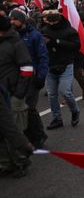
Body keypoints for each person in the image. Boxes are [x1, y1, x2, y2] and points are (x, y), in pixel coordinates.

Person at [9, 9, 49, 148]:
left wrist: (41, 77)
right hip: (16, 79)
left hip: (32, 77)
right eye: (10, 19)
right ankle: (27, 135)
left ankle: (39, 136)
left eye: (15, 19)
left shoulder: (34, 36)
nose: (12, 22)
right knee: (19, 109)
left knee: (30, 108)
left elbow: (43, 57)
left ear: (22, 20)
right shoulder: (11, 37)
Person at [0, 15, 34, 176]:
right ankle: (6, 163)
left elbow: (27, 68)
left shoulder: (15, 43)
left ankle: (21, 161)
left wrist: (19, 93)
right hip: (2, 92)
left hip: (12, 93)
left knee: (12, 130)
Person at [41, 9, 81, 130]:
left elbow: (76, 46)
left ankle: (75, 111)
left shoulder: (70, 31)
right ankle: (56, 118)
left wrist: (56, 42)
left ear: (58, 20)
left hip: (66, 65)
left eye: (54, 22)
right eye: (50, 22)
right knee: (52, 94)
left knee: (65, 91)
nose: (51, 25)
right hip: (50, 64)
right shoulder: (44, 30)